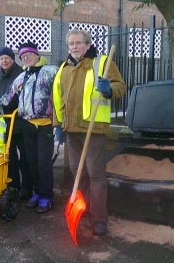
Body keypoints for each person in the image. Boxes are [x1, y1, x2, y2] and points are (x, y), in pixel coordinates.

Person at [52, 29, 126, 235]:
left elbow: (121, 86)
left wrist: (109, 89)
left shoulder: (101, 62)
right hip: (71, 129)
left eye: (78, 43)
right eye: (71, 44)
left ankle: (99, 219)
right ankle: (82, 209)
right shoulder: (64, 68)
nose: (74, 47)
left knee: (96, 175)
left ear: (87, 44)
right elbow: (57, 97)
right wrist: (57, 124)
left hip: (93, 128)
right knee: (78, 173)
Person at [0, 41, 58, 214]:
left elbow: (63, 92)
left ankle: (46, 197)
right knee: (31, 162)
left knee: (43, 163)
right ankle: (36, 193)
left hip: (45, 125)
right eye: (22, 56)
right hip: (27, 125)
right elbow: (7, 98)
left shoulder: (51, 71)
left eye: (28, 54)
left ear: (37, 54)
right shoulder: (21, 77)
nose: (26, 58)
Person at [0, 47, 32, 199]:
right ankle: (13, 186)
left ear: (12, 59)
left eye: (7, 58)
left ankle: (28, 187)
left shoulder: (21, 74)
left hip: (20, 122)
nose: (4, 61)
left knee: (25, 157)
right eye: (1, 59)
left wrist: (4, 104)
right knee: (9, 157)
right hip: (4, 124)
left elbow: (17, 98)